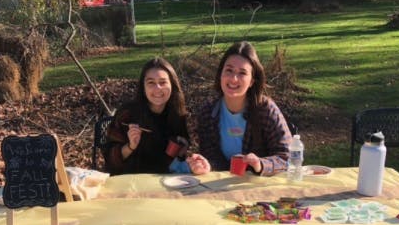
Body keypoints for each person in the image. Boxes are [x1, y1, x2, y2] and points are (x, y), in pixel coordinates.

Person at [195, 41, 292, 176]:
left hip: (259, 187)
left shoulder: (266, 110)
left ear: (252, 81)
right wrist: (206, 165)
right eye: (229, 70)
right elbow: (212, 158)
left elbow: (288, 157)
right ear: (220, 74)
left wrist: (260, 164)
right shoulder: (208, 112)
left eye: (242, 73)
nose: (234, 79)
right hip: (220, 187)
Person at [104, 57, 209, 175]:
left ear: (172, 85)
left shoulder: (177, 113)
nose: (157, 88)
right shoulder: (127, 114)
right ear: (143, 87)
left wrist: (183, 151)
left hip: (166, 180)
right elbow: (109, 159)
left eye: (163, 82)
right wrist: (130, 146)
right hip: (130, 181)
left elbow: (178, 158)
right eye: (151, 82)